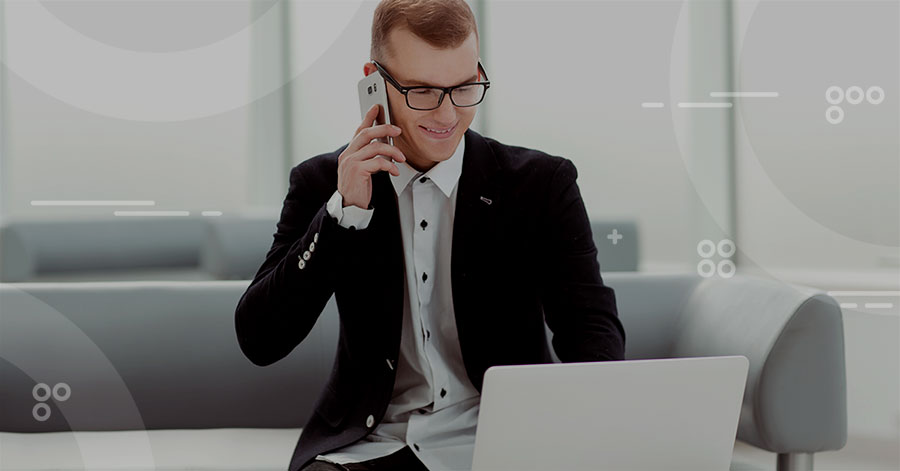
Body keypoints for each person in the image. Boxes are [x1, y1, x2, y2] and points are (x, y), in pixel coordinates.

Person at [234, 1, 626, 470]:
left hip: (503, 440)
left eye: (463, 88)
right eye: (422, 91)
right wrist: (343, 214)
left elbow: (592, 328)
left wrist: (589, 427)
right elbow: (260, 340)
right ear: (373, 80)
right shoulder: (323, 184)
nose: (446, 115)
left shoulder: (542, 185)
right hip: (371, 444)